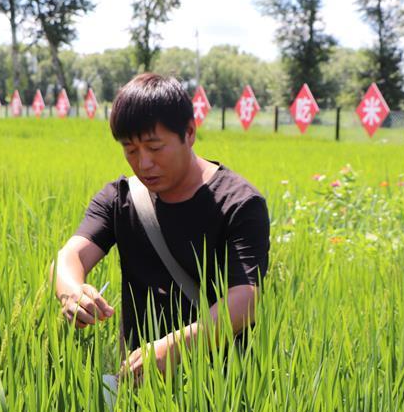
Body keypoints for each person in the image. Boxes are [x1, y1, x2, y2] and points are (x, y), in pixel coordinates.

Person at [49, 73, 270, 384]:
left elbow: (244, 299)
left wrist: (175, 346)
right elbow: (70, 256)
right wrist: (71, 293)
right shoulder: (120, 199)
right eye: (131, 150)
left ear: (190, 132)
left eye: (155, 147)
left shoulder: (238, 203)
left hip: (219, 387)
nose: (144, 163)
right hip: (139, 381)